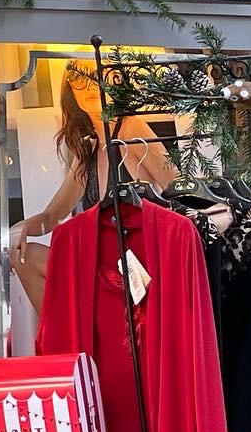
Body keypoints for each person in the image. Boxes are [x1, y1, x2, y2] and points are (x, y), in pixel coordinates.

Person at [10, 64, 178, 315]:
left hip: (137, 267)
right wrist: (20, 230)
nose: (90, 86)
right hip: (101, 264)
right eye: (80, 79)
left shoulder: (130, 128)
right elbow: (52, 216)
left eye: (97, 78)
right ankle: (62, 337)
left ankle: (69, 334)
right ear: (70, 89)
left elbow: (178, 187)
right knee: (26, 257)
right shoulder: (88, 151)